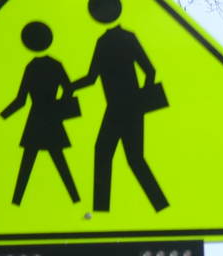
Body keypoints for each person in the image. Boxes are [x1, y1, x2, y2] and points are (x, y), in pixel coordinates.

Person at [71, 0, 169, 213]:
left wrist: (71, 86)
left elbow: (91, 78)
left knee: (113, 155)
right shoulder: (120, 39)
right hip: (126, 107)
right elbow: (149, 71)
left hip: (121, 107)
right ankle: (157, 204)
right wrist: (142, 98)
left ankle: (104, 209)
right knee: (126, 157)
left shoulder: (107, 41)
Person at [0, 21, 81, 206]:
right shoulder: (55, 65)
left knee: (28, 164)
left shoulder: (32, 67)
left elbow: (21, 100)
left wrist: (3, 115)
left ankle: (16, 202)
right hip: (51, 118)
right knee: (58, 162)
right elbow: (68, 89)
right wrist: (58, 106)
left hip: (36, 119)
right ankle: (75, 199)